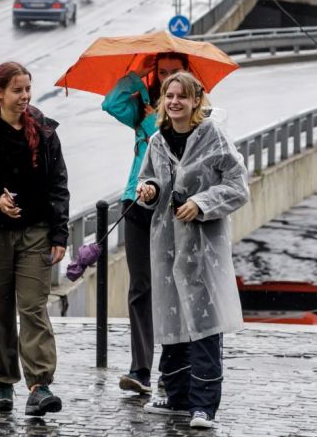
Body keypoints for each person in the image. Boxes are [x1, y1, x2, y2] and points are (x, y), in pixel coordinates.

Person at [136, 71, 249, 429]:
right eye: (169, 96)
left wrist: (202, 203)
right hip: (168, 245)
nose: (174, 103)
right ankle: (177, 397)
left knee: (203, 326)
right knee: (172, 323)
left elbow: (237, 186)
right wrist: (149, 189)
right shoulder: (156, 141)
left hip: (203, 248)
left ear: (196, 101)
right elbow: (148, 178)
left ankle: (204, 406)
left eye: (182, 97)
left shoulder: (214, 137)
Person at [0, 61, 69, 416]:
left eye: (27, 89)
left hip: (35, 232)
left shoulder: (45, 132)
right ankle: (3, 383)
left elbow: (58, 187)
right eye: (17, 90)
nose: (24, 97)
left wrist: (59, 233)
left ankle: (39, 385)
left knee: (34, 307)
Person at [101, 52, 188, 394]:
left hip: (172, 207)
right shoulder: (143, 107)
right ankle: (140, 369)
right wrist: (137, 74)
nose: (167, 80)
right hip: (135, 199)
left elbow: (173, 148)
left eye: (174, 73)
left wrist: (155, 121)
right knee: (141, 288)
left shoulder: (193, 114)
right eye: (161, 73)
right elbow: (111, 104)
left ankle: (174, 366)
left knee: (173, 287)